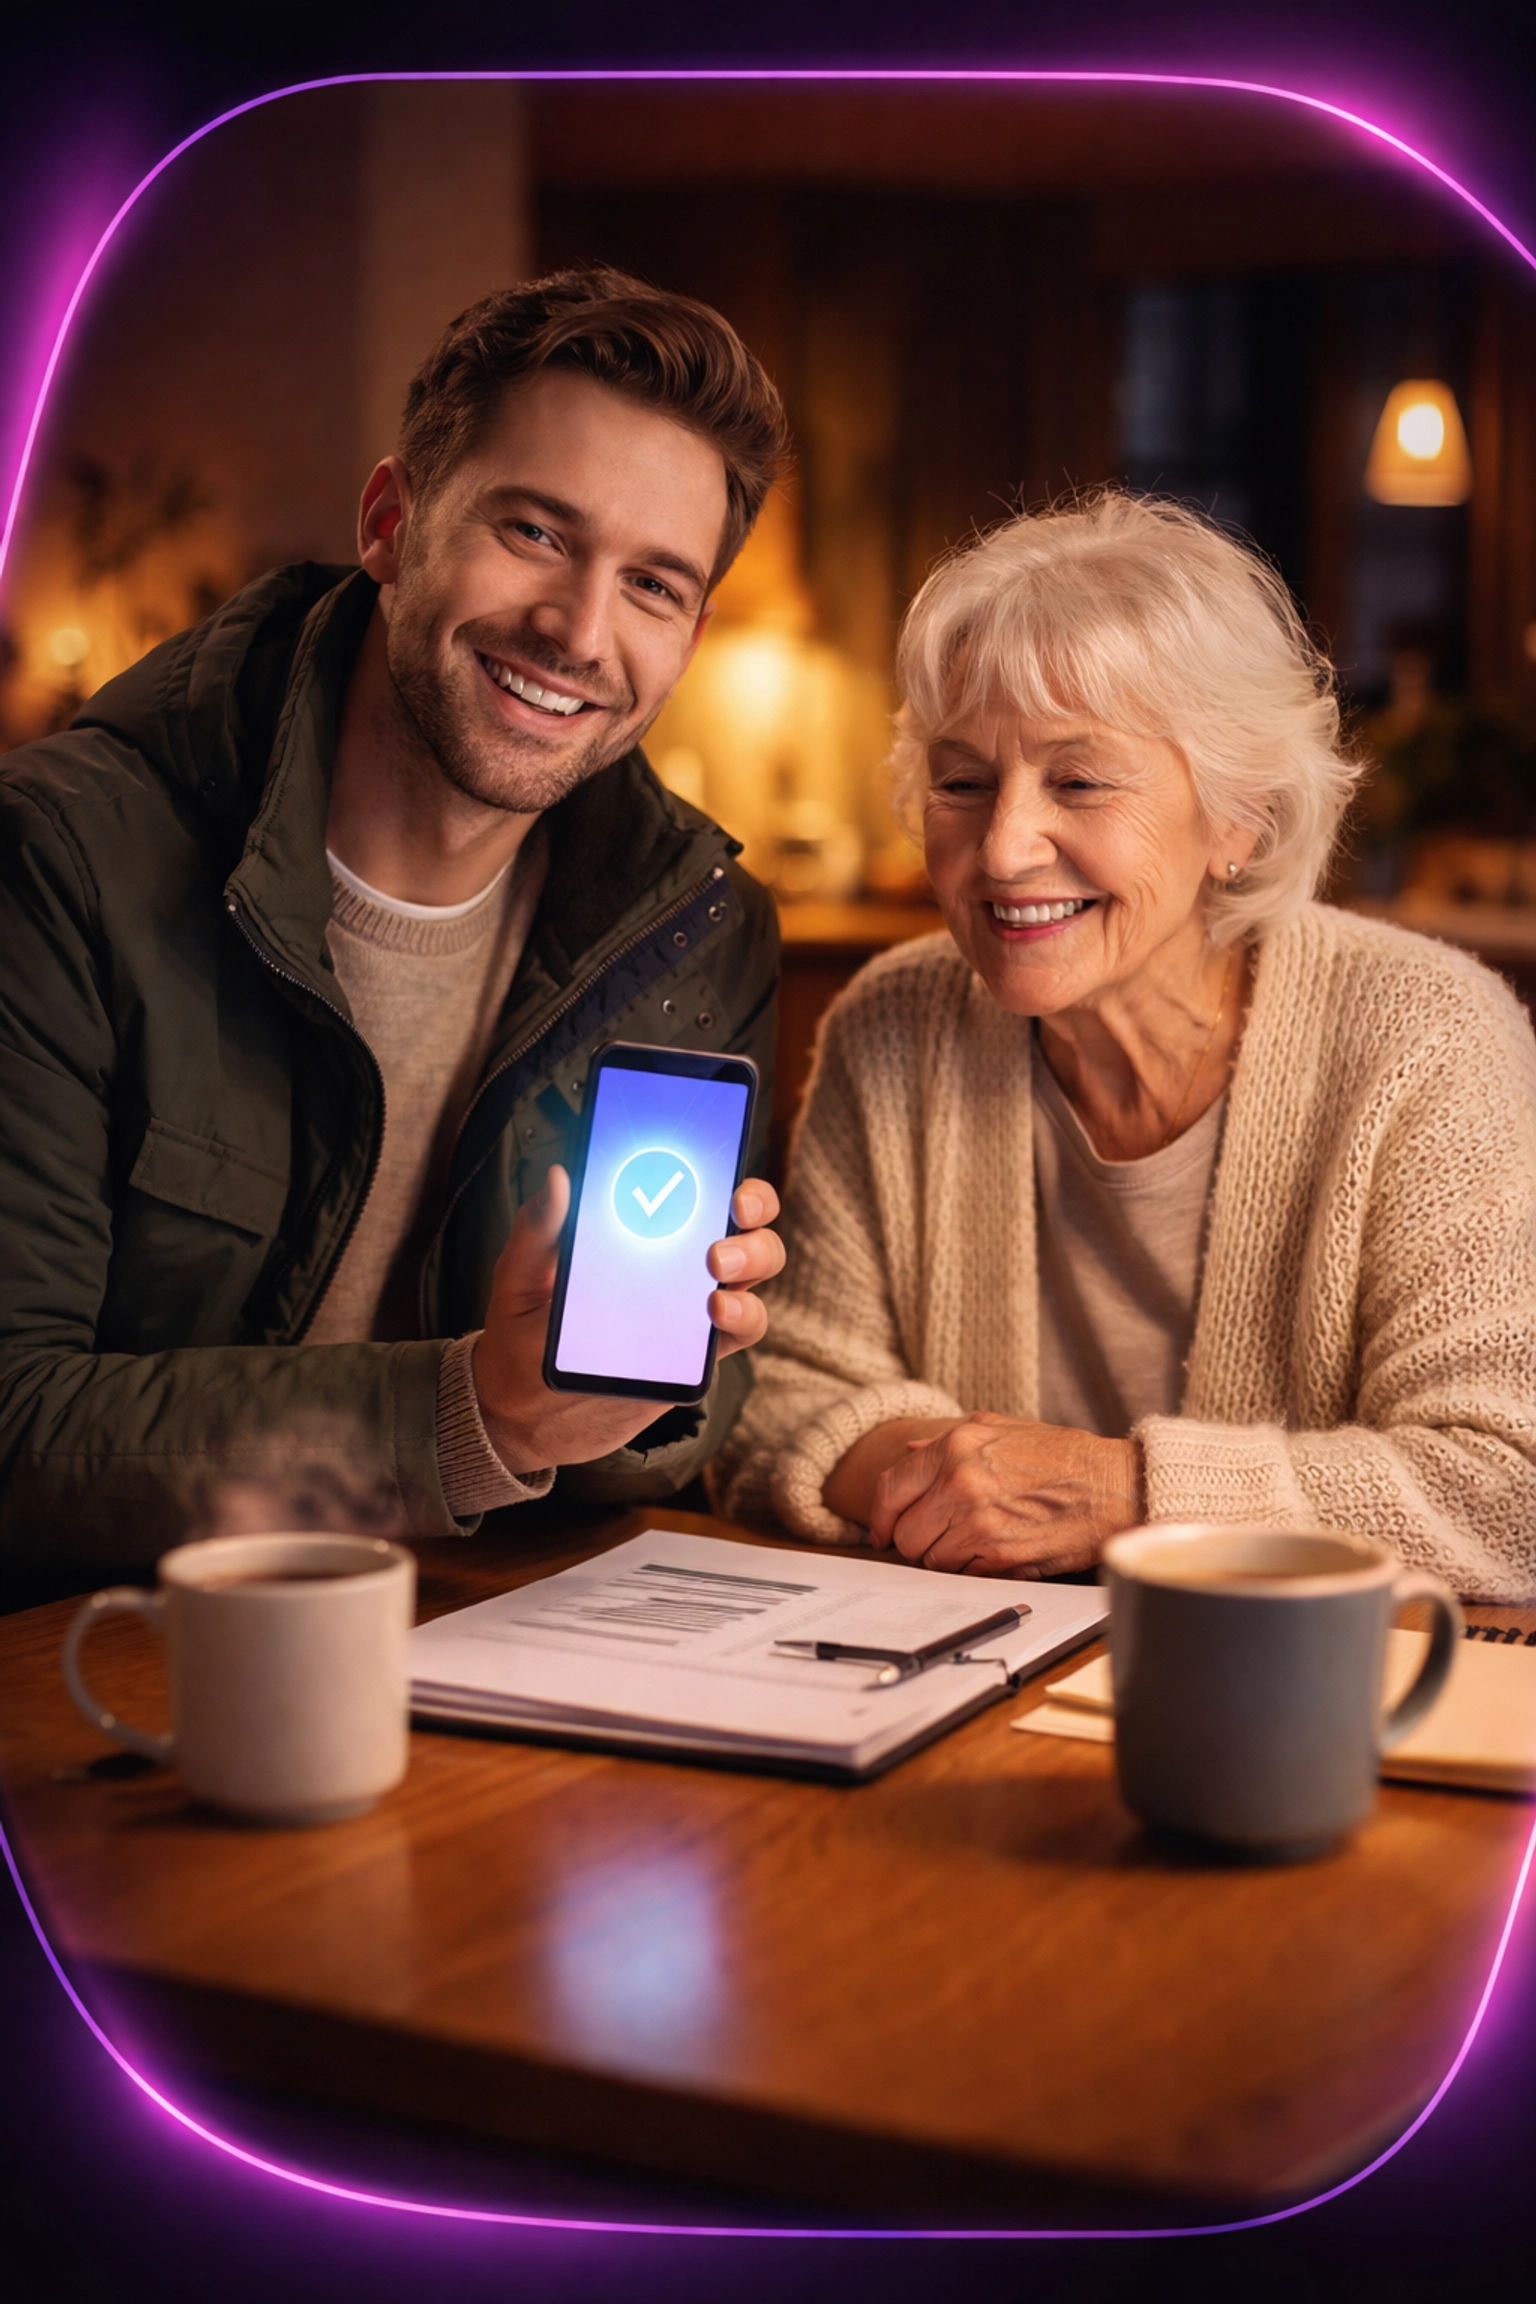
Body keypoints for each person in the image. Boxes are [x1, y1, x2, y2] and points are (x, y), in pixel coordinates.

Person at [0, 266, 788, 1570]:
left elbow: (667, 1437)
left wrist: (648, 1384)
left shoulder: (697, 924)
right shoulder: (61, 854)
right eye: (534, 531)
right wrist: (475, 1407)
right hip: (99, 1659)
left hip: (472, 1649)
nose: (579, 630)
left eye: (654, 586)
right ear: (390, 522)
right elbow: (15, 1433)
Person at [712, 492, 1536, 1602]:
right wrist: (964, 1483)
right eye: (962, 781)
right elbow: (780, 1398)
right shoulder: (892, 1023)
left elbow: (1504, 1489)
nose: (1003, 848)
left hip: (1297, 1718)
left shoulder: (1425, 1040)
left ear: (1237, 815)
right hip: (959, 1692)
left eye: (1080, 780)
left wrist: (1121, 1494)